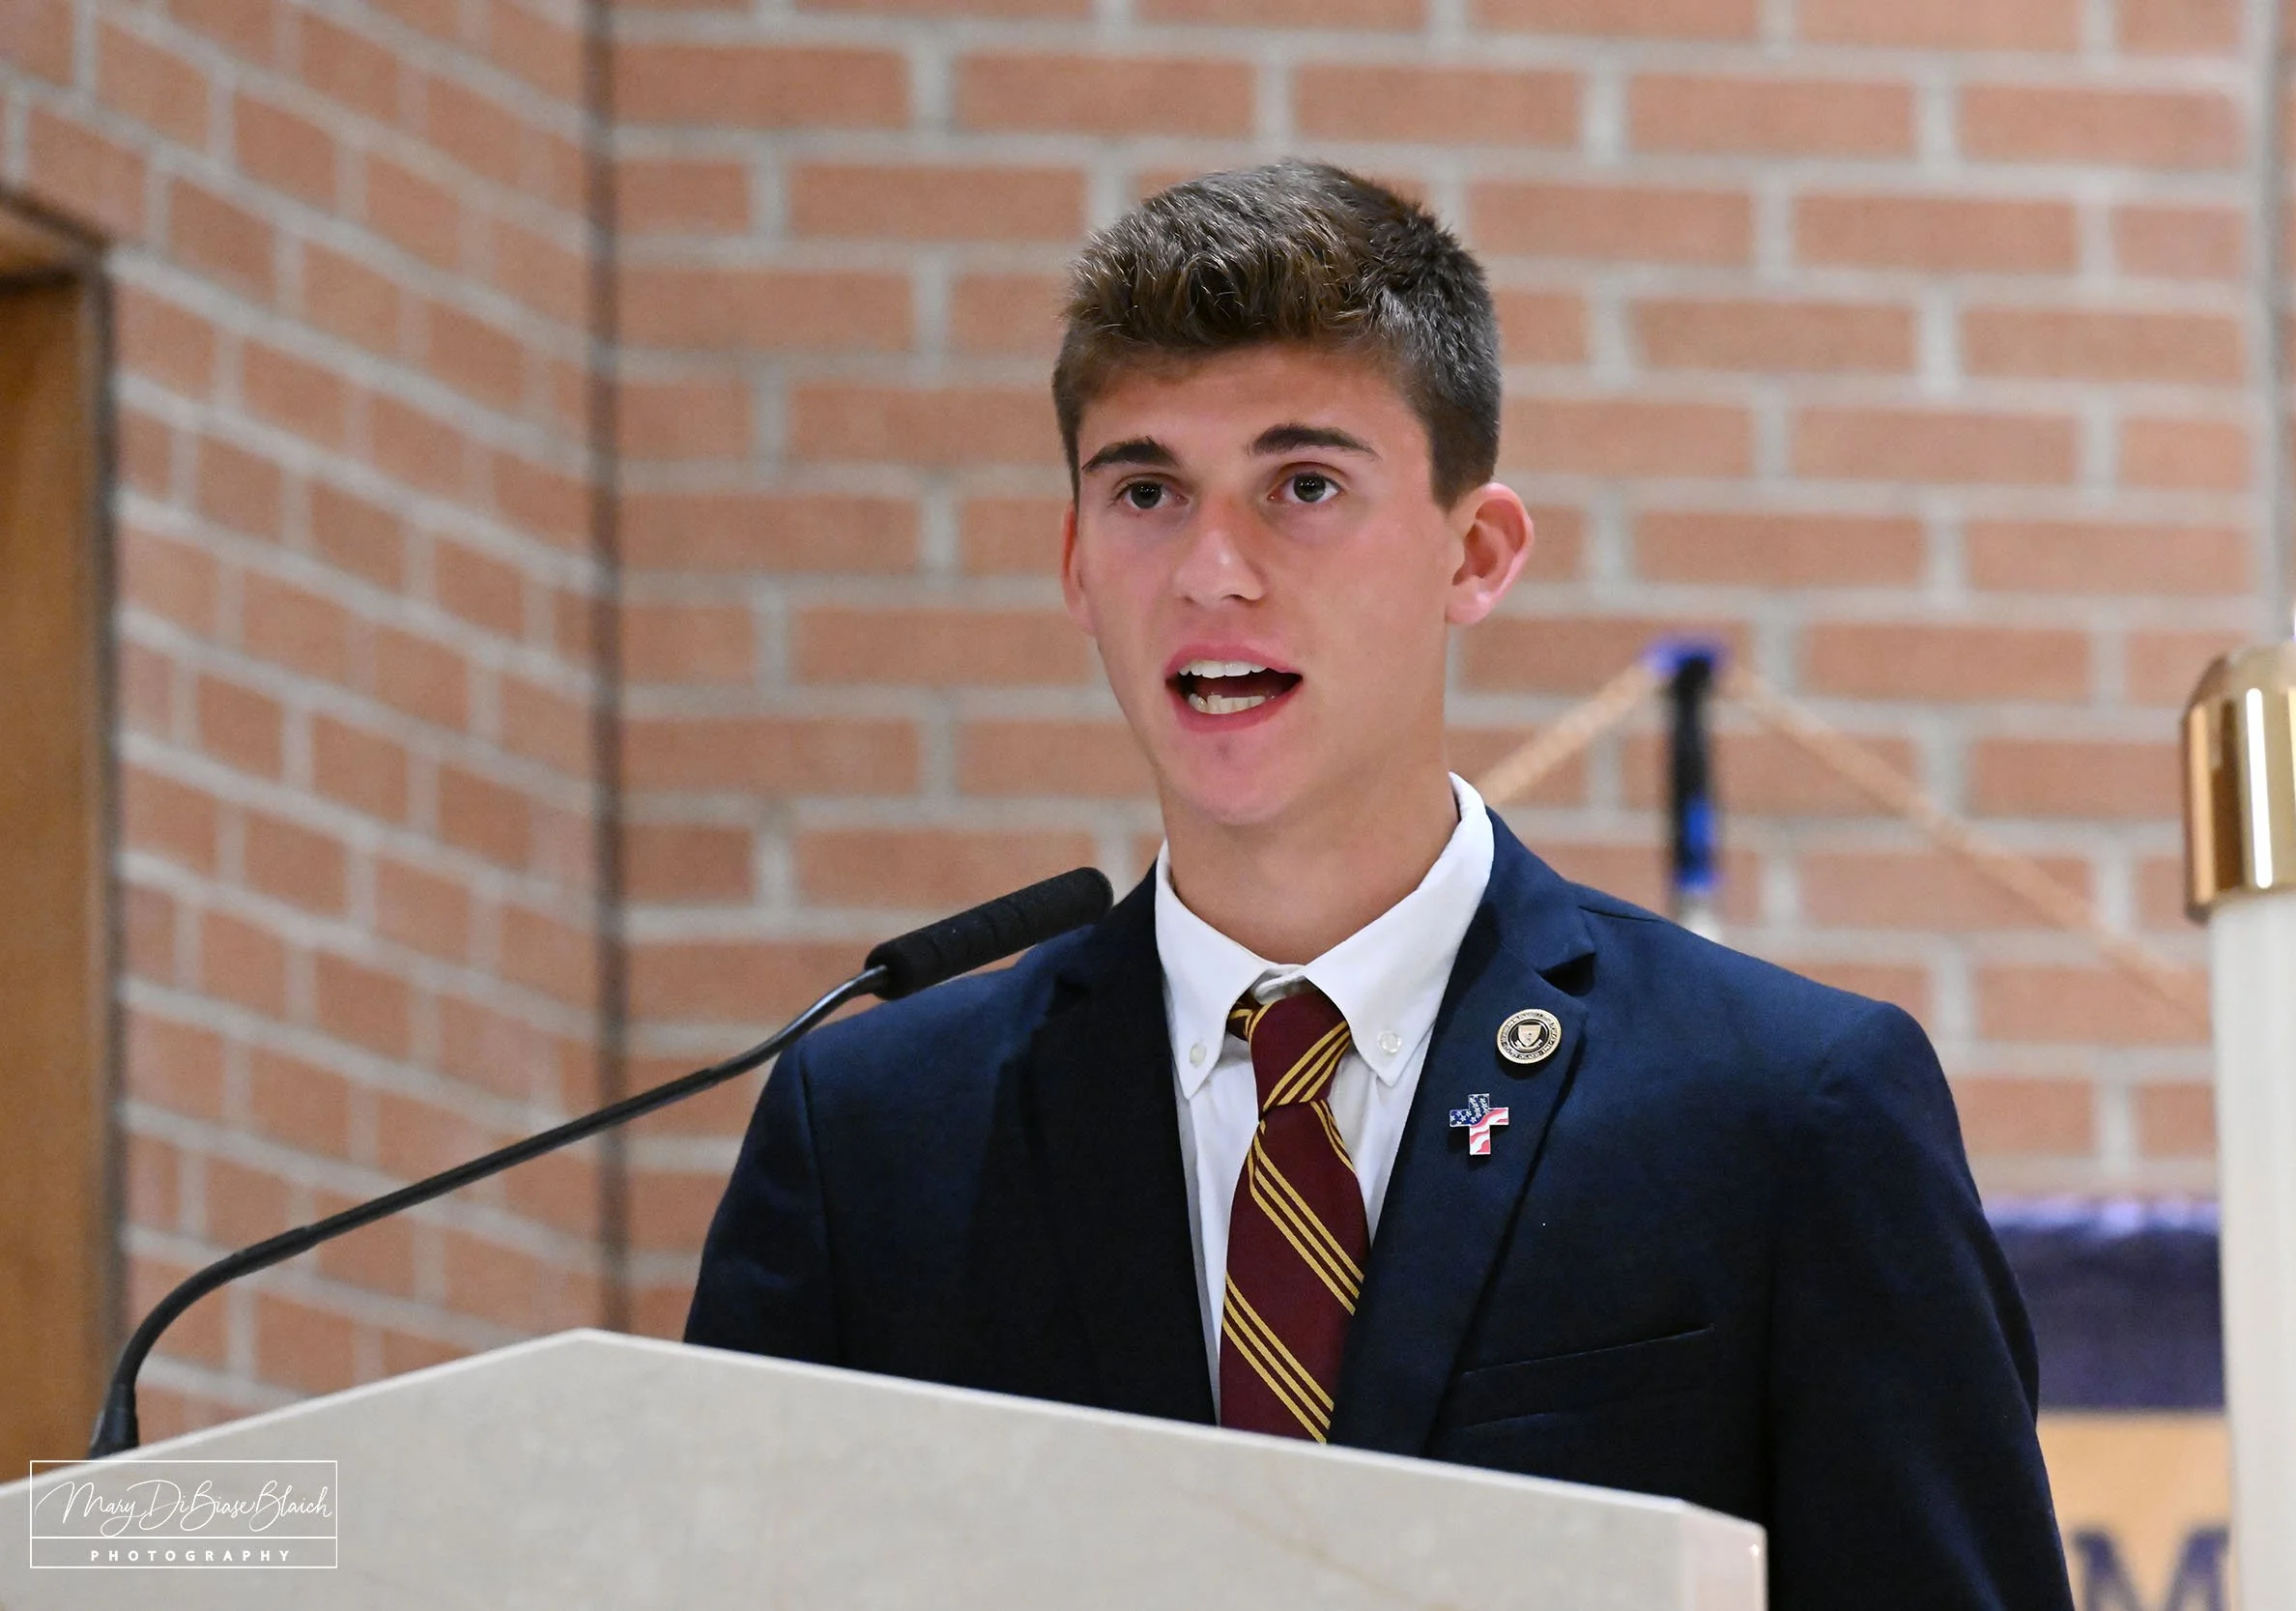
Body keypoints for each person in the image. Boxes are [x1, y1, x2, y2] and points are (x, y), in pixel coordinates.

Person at [686, 160, 2074, 1610]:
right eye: (1148, 491)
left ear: (1476, 553)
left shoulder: (1787, 1112)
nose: (1214, 571)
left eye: (1304, 486)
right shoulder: (874, 1143)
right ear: (1079, 563)